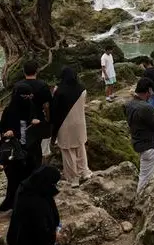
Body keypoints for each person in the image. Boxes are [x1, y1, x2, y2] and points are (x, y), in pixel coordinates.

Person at [0, 83, 42, 212]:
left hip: (30, 148)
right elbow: (2, 128)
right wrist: (9, 132)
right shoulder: (9, 110)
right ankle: (13, 203)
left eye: (29, 96)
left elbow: (40, 119)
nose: (27, 99)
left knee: (31, 175)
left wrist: (36, 121)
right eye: (24, 96)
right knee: (14, 179)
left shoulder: (31, 106)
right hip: (14, 150)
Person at [51, 67, 91, 186]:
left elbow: (55, 110)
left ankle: (73, 178)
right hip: (79, 122)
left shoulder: (59, 91)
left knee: (68, 151)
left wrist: (53, 130)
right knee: (80, 147)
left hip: (65, 124)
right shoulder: (83, 89)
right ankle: (85, 172)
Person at [125, 78, 154, 194]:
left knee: (147, 175)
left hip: (138, 143)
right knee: (145, 179)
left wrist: (153, 111)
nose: (151, 94)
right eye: (151, 91)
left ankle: (145, 198)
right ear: (148, 90)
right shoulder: (145, 107)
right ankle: (140, 201)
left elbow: (140, 117)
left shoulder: (129, 104)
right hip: (149, 146)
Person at [15, 60, 52, 162]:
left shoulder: (18, 86)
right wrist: (48, 120)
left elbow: (14, 106)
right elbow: (47, 105)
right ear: (37, 71)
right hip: (39, 122)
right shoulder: (42, 85)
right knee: (41, 150)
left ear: (24, 71)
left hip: (22, 123)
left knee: (24, 149)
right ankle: (41, 170)